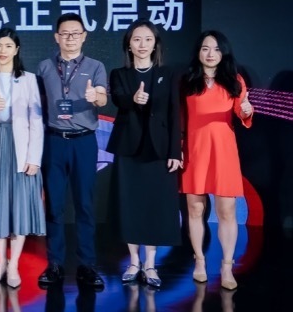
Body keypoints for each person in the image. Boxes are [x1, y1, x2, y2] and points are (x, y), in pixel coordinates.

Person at [105, 19, 182, 289]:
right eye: (137, 39)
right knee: (130, 204)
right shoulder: (119, 73)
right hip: (128, 148)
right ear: (129, 44)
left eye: (148, 39)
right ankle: (134, 261)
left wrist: (175, 151)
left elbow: (174, 113)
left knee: (154, 205)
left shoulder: (168, 73)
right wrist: (133, 100)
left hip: (158, 150)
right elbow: (118, 98)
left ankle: (150, 263)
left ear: (155, 44)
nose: (142, 45)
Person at [36, 13, 108, 288]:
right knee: (54, 206)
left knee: (84, 205)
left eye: (75, 33)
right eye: (65, 33)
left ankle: (87, 265)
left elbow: (102, 97)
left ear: (84, 36)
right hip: (54, 141)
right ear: (56, 37)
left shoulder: (95, 66)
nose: (70, 38)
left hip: (83, 142)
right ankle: (54, 264)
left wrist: (95, 97)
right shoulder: (45, 67)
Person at [0, 28, 45, 289]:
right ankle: (1, 262)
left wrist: (34, 157)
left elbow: (36, 120)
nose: (2, 51)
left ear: (16, 50)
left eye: (8, 46)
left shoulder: (29, 79)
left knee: (19, 208)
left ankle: (14, 265)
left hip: (21, 148)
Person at [180, 30, 252, 291]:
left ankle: (226, 266)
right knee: (195, 209)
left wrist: (246, 111)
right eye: (205, 48)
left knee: (227, 211)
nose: (210, 54)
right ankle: (199, 261)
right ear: (198, 52)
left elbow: (241, 111)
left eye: (216, 49)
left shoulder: (234, 80)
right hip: (194, 149)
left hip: (224, 151)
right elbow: (179, 117)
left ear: (224, 52)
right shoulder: (187, 80)